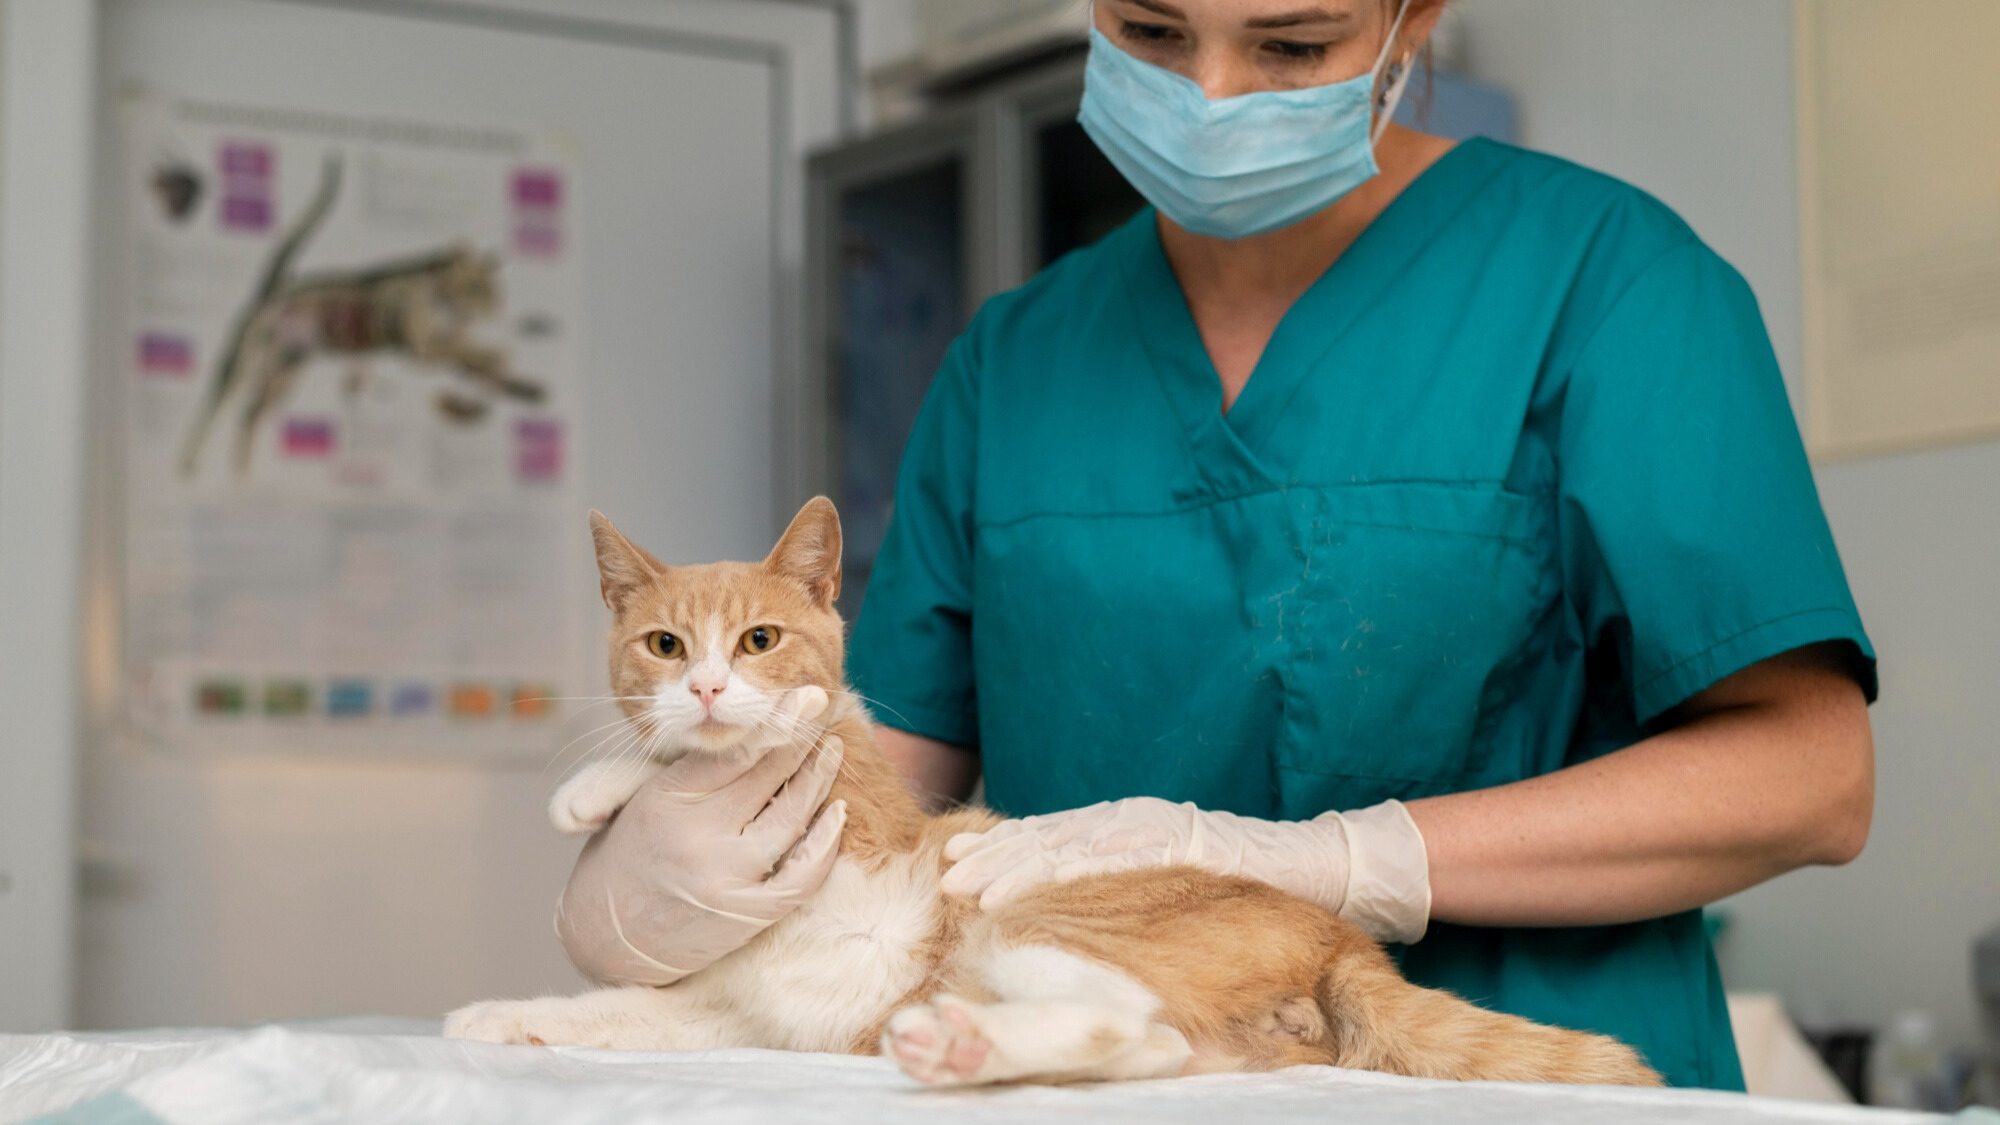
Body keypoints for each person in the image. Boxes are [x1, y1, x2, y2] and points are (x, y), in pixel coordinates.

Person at [557, 0, 1877, 1090]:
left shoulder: (1611, 282)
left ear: (1414, 19)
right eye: (1152, 31)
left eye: (1293, 45)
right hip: (1087, 1078)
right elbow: (879, 765)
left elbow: (1812, 775)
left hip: (1502, 1082)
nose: (1212, 96)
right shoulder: (1014, 361)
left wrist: (1343, 860)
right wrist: (662, 874)